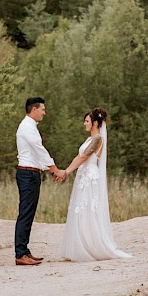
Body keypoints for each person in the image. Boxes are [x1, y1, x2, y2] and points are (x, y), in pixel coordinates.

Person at [59, 108, 131, 262]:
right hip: (83, 176)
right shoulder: (88, 140)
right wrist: (65, 170)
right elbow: (78, 156)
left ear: (95, 123)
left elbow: (85, 157)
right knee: (81, 210)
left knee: (88, 210)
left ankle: (91, 246)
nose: (84, 123)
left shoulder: (97, 139)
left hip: (90, 178)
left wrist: (67, 172)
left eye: (87, 121)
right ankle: (81, 245)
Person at [14, 97, 65, 266]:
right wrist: (55, 169)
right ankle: (20, 253)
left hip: (32, 173)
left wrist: (48, 170)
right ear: (34, 109)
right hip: (27, 174)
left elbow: (37, 154)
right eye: (42, 109)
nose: (44, 112)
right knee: (26, 213)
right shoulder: (27, 127)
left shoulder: (30, 127)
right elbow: (39, 149)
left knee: (29, 213)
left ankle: (25, 251)